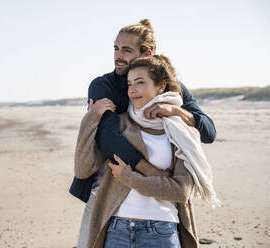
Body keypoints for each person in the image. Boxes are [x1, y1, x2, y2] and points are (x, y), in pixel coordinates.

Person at [69, 19, 217, 248]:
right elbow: (109, 140)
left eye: (126, 50)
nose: (118, 55)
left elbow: (208, 131)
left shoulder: (170, 90)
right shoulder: (103, 85)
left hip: (159, 214)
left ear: (146, 53)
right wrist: (151, 171)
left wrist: (177, 111)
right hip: (106, 195)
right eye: (116, 48)